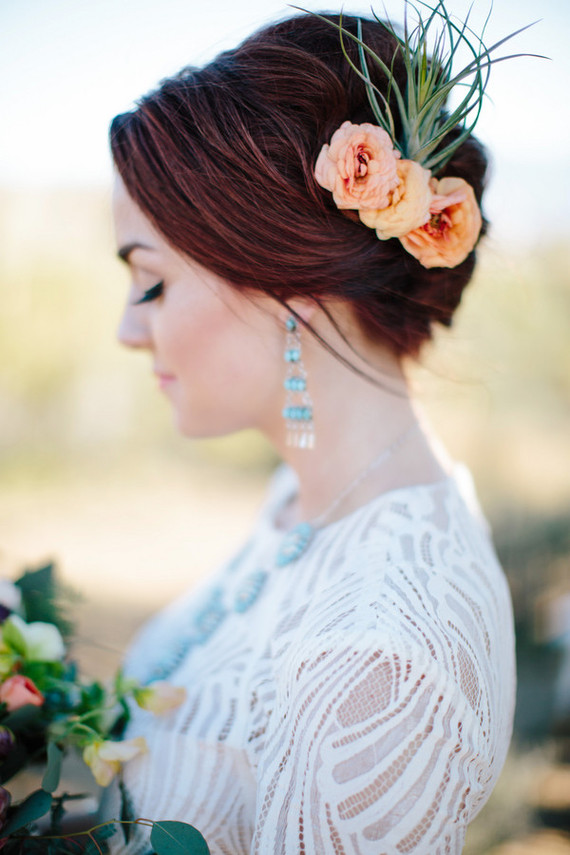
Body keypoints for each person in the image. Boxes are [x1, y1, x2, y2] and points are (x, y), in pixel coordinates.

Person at [105, 6, 516, 853]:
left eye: (150, 283)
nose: (128, 329)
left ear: (287, 282)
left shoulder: (387, 658)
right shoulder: (307, 498)